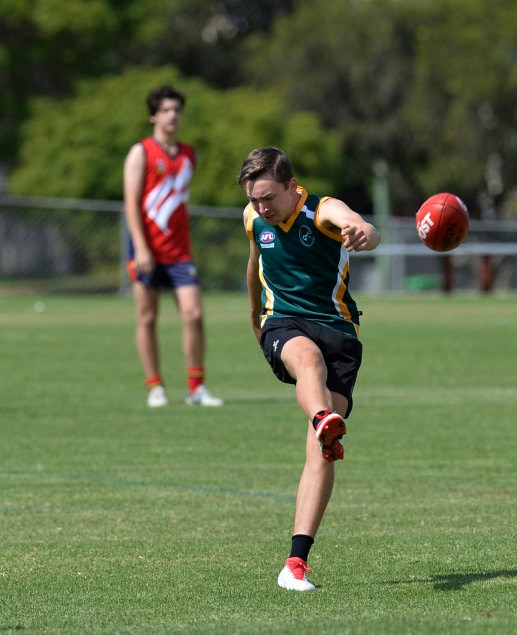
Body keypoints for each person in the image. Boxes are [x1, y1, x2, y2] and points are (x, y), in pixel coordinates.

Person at [237, 146, 380, 591]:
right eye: (254, 197)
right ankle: (323, 419)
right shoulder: (253, 218)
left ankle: (295, 565)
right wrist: (255, 321)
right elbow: (254, 266)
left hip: (339, 332)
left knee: (320, 453)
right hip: (284, 323)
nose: (261, 206)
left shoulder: (320, 211)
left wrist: (361, 231)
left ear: (291, 187)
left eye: (268, 197)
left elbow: (361, 225)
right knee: (307, 361)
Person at [123, 85, 222, 408]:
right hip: (147, 248)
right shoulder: (141, 152)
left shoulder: (189, 154)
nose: (172, 115)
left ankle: (196, 387)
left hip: (179, 251)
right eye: (165, 110)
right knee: (147, 317)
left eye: (176, 109)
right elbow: (131, 202)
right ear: (153, 115)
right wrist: (141, 247)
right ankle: (155, 387)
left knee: (193, 314)